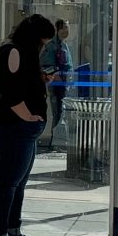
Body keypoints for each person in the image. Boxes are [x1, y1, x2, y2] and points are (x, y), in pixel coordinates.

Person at [0, 13, 53, 236]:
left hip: (23, 129)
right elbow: (11, 92)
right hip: (14, 127)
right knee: (8, 184)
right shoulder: (13, 52)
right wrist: (28, 116)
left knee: (18, 184)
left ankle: (13, 230)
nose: (43, 47)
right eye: (43, 42)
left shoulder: (20, 53)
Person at [40, 18, 74, 150]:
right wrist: (56, 75)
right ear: (58, 29)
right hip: (57, 85)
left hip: (65, 84)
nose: (66, 31)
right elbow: (46, 64)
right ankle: (55, 142)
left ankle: (58, 141)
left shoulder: (64, 45)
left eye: (67, 28)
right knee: (58, 112)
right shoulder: (52, 45)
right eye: (64, 27)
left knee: (61, 112)